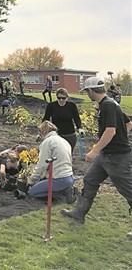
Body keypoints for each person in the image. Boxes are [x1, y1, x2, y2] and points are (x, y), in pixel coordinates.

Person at [61, 77, 132, 241]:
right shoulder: (112, 103)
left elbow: (110, 131)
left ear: (91, 91)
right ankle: (78, 214)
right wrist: (117, 139)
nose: (87, 94)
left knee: (129, 192)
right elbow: (128, 124)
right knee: (90, 180)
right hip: (106, 155)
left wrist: (95, 150)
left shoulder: (107, 105)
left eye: (86, 91)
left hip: (118, 158)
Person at [27, 121, 76, 202]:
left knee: (32, 192)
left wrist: (32, 179)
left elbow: (42, 164)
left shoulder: (47, 142)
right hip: (69, 177)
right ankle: (67, 189)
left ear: (43, 132)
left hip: (59, 179)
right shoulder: (64, 141)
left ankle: (62, 192)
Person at [42, 88, 84, 152]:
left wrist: (80, 128)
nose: (61, 100)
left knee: (68, 153)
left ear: (67, 97)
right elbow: (46, 119)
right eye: (59, 98)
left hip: (70, 134)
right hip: (56, 135)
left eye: (63, 98)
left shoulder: (72, 106)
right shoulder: (51, 106)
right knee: (57, 153)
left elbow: (76, 118)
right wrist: (42, 132)